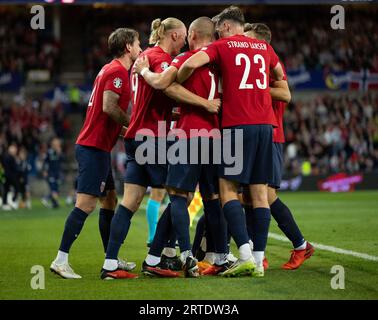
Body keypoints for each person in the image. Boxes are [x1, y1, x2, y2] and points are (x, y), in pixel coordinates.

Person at [101, 17, 221, 280]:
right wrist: (204, 103)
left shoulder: (142, 57)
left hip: (135, 136)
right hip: (155, 137)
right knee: (180, 196)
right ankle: (179, 255)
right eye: (183, 37)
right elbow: (167, 86)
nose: (185, 43)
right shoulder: (159, 58)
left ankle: (111, 263)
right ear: (176, 36)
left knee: (130, 201)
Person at [178, 6, 284, 277]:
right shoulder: (264, 47)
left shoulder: (223, 46)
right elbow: (280, 79)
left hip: (237, 124)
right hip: (266, 126)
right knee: (260, 194)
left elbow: (190, 63)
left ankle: (245, 254)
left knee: (227, 188)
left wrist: (177, 81)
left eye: (218, 29)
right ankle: (259, 261)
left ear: (225, 27)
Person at [135, 16, 229, 277]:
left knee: (178, 196)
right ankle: (219, 255)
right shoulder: (222, 64)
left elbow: (164, 85)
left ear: (194, 35)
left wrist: (143, 70)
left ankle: (186, 255)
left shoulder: (185, 59)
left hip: (188, 134)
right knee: (212, 198)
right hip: (216, 138)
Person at [50, 28, 141, 279]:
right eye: (137, 44)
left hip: (98, 146)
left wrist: (128, 131)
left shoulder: (108, 69)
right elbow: (109, 107)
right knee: (86, 204)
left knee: (110, 199)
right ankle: (61, 259)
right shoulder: (117, 72)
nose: (140, 48)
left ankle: (110, 259)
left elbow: (108, 114)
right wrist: (133, 127)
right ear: (127, 47)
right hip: (93, 147)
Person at [244, 22, 314, 270]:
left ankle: (300, 245)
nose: (245, 43)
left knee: (266, 196)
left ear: (261, 42)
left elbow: (285, 95)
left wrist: (258, 86)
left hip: (271, 136)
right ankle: (257, 252)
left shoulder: (271, 64)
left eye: (249, 39)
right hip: (258, 135)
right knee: (249, 198)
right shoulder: (256, 63)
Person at [41, 138, 64, 209]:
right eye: (55, 143)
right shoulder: (49, 152)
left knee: (56, 189)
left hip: (58, 173)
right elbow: (45, 162)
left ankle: (53, 203)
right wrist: (44, 171)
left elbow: (63, 160)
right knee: (53, 188)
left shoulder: (59, 152)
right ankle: (48, 199)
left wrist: (60, 153)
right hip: (51, 173)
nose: (56, 144)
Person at [1, 144, 19, 210]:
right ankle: (9, 202)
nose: (15, 150)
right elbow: (9, 168)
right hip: (9, 176)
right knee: (15, 188)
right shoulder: (8, 157)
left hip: (9, 176)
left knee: (7, 190)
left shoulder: (10, 157)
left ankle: (7, 202)